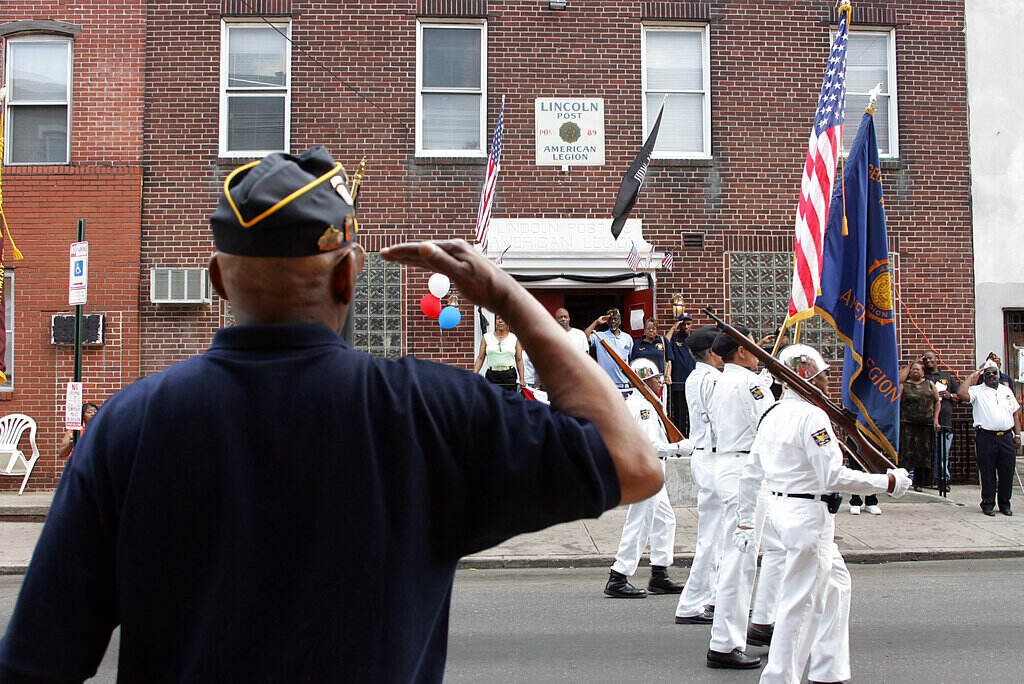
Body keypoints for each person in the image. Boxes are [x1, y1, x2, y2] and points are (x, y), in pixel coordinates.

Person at [0, 146, 664, 682]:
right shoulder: (427, 413)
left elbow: (37, 661)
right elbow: (633, 463)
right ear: (347, 278)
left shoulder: (127, 427)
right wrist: (506, 295)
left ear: (218, 280)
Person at [734, 343, 910, 684]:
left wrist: (745, 520)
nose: (828, 379)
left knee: (837, 585)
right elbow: (832, 476)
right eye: (823, 374)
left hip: (782, 509)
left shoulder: (772, 413)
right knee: (802, 605)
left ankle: (829, 670)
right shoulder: (812, 415)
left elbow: (751, 472)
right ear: (807, 376)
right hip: (808, 515)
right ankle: (779, 678)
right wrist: (886, 481)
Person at [705, 325, 785, 670]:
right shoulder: (749, 383)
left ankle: (763, 621)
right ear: (741, 352)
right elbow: (771, 424)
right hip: (745, 472)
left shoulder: (721, 380)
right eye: (752, 347)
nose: (757, 351)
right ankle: (723, 643)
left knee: (778, 546)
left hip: (734, 465)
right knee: (739, 559)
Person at [605, 358, 693, 598]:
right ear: (645, 380)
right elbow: (649, 446)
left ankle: (659, 574)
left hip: (652, 469)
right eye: (655, 378)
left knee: (665, 520)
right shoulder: (642, 407)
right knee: (640, 522)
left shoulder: (648, 403)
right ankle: (618, 576)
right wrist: (677, 448)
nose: (660, 382)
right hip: (645, 469)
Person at [674, 325, 724, 624]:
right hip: (715, 457)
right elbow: (723, 419)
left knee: (718, 535)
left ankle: (716, 596)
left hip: (706, 455)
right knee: (712, 536)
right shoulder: (712, 379)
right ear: (713, 352)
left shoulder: (696, 376)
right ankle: (693, 603)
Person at [958, 361, 1021, 516]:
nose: (992, 376)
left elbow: (1015, 413)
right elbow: (961, 394)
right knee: (987, 472)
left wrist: (1018, 434)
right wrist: (973, 375)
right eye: (988, 374)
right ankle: (988, 504)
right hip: (986, 437)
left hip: (1006, 437)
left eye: (994, 373)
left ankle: (1005, 504)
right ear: (983, 376)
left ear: (999, 375)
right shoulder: (977, 391)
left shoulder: (1006, 390)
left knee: (1007, 472)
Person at [898, 361, 941, 490]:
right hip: (908, 425)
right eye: (913, 369)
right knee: (906, 454)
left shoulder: (929, 384)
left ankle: (919, 483)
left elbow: (937, 402)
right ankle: (902, 482)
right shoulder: (904, 386)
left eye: (918, 369)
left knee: (923, 454)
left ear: (923, 372)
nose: (915, 371)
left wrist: (936, 420)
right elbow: (897, 403)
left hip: (925, 425)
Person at [922, 350, 960, 494]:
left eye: (930, 358)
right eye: (924, 359)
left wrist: (949, 395)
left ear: (937, 359)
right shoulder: (921, 377)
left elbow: (960, 397)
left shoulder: (947, 378)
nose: (927, 361)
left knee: (942, 454)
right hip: (924, 422)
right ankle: (920, 480)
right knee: (921, 452)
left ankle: (942, 480)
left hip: (944, 423)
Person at [474, 314, 526, 391]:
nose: (500, 321)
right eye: (498, 319)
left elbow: (519, 360)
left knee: (509, 401)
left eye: (503, 319)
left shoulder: (514, 338)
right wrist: (474, 375)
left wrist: (522, 379)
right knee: (492, 401)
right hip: (492, 375)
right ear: (495, 321)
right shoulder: (486, 337)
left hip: (509, 375)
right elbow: (480, 358)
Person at [586, 308, 634, 390]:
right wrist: (597, 322)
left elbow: (632, 360)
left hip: (624, 384)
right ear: (606, 322)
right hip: (606, 385)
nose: (613, 321)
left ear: (620, 321)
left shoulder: (627, 338)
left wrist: (632, 380)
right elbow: (585, 337)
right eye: (610, 319)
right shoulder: (599, 336)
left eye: (615, 319)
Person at [666, 313, 696, 435]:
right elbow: (664, 344)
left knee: (693, 413)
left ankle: (692, 438)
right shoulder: (674, 338)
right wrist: (673, 328)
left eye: (688, 324)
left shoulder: (695, 338)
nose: (685, 327)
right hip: (678, 383)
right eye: (683, 324)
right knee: (679, 413)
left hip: (692, 383)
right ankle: (681, 437)